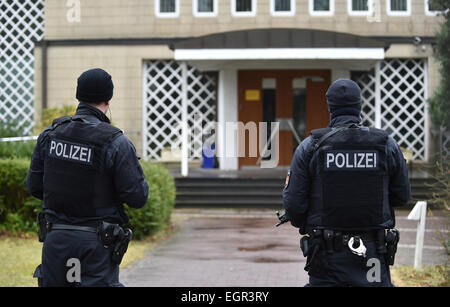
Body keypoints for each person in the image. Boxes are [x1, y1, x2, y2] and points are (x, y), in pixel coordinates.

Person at [26, 68, 149, 287]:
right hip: (96, 245)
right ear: (108, 100)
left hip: (56, 240)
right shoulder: (116, 142)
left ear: (78, 97)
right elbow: (137, 197)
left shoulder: (50, 134)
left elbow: (35, 186)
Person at [282, 78, 410, 287]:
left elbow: (295, 206)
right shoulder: (386, 145)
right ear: (359, 106)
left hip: (327, 256)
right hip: (372, 253)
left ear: (330, 107)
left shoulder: (310, 147)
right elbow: (402, 196)